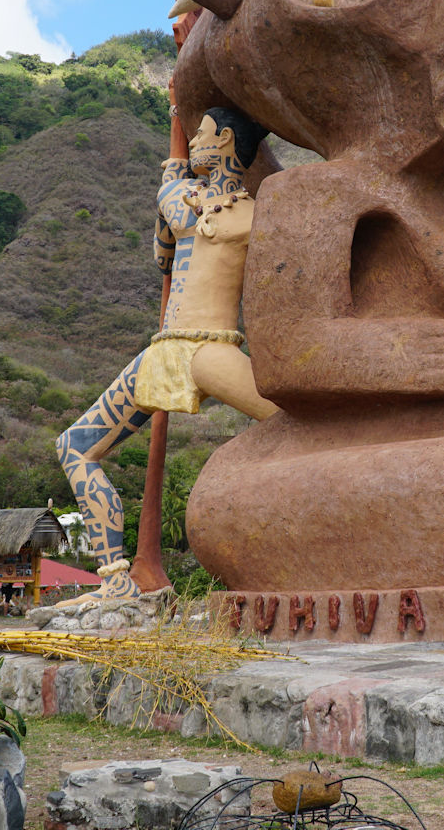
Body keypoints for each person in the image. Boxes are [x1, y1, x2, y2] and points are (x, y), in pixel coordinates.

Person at [52, 107, 280, 604]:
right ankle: (116, 582)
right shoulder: (255, 213)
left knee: (296, 427)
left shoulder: (183, 201)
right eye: (192, 132)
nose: (195, 140)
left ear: (222, 140)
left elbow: (162, 256)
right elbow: (165, 256)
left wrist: (175, 162)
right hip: (173, 352)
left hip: (202, 349)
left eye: (201, 132)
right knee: (74, 445)